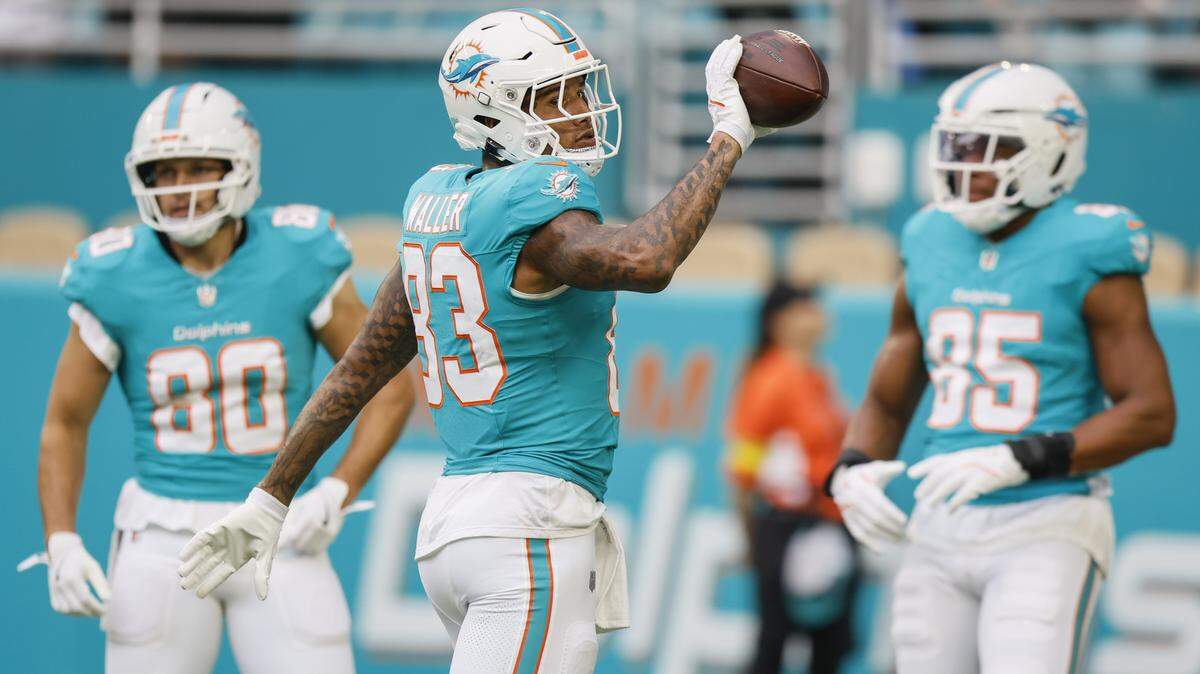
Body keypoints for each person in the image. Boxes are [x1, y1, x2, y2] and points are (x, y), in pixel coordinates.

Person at [174, 8, 800, 673]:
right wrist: (730, 135)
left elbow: (358, 368)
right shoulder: (536, 202)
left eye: (580, 89)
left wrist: (272, 497)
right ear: (493, 110)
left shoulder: (440, 203)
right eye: (556, 96)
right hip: (525, 523)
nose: (583, 110)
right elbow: (648, 260)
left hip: (460, 524)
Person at [37, 82, 415, 674]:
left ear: (240, 169)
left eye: (197, 168)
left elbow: (390, 386)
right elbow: (65, 422)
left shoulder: (298, 252)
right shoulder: (111, 273)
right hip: (160, 532)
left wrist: (338, 492)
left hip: (275, 519)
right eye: (165, 171)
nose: (180, 187)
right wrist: (60, 540)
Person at [824, 62, 1175, 673]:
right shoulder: (930, 237)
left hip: (1048, 516)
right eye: (957, 147)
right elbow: (889, 397)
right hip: (941, 517)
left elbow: (1151, 414)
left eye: (990, 150)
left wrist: (1021, 456)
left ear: (1050, 154)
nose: (967, 167)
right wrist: (852, 468)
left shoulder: (1090, 246)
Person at [726, 282, 857, 674]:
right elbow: (745, 464)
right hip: (788, 525)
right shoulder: (772, 380)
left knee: (830, 642)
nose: (820, 315)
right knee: (775, 640)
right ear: (781, 321)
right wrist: (753, 536)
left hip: (827, 522)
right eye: (807, 307)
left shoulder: (816, 376)